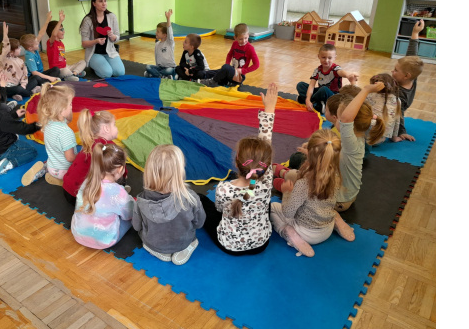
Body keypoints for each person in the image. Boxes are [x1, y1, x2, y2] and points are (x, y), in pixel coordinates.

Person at [202, 83, 278, 255]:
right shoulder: (266, 179)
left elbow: (220, 210)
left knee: (201, 201)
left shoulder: (224, 188)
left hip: (230, 246)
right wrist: (270, 109)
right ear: (265, 165)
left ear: (236, 163)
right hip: (262, 243)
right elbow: (265, 144)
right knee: (263, 202)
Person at [269, 129, 355, 257]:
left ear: (309, 154)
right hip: (327, 229)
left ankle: (289, 233)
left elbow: (288, 212)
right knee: (325, 207)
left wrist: (287, 193)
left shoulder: (303, 184)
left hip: (306, 234)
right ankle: (337, 220)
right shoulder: (336, 177)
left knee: (272, 208)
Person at [133, 145, 206, 265]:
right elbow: (199, 223)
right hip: (183, 241)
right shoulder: (190, 198)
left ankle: (159, 251)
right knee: (190, 236)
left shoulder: (141, 200)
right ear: (180, 173)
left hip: (153, 243)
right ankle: (188, 246)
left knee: (144, 235)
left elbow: (136, 226)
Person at [71, 143, 134, 249]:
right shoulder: (118, 192)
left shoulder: (87, 182)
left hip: (78, 234)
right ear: (120, 169)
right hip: (105, 241)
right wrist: (133, 201)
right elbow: (129, 214)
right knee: (132, 217)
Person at [334, 82, 386, 211]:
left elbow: (346, 119)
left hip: (340, 200)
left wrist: (366, 90)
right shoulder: (362, 132)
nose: (336, 120)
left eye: (338, 118)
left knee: (298, 182)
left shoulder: (350, 144)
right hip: (347, 195)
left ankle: (335, 218)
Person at [62, 109, 126, 205]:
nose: (116, 128)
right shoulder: (109, 147)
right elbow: (119, 167)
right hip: (80, 198)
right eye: (114, 125)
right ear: (106, 128)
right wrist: (124, 176)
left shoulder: (89, 142)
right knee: (118, 176)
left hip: (67, 190)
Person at [21, 83, 78, 186]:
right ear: (61, 110)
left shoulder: (48, 123)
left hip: (52, 165)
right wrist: (82, 156)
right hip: (63, 171)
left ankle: (44, 169)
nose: (72, 106)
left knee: (56, 156)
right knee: (86, 170)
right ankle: (60, 181)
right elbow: (70, 158)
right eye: (70, 104)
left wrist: (67, 111)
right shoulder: (65, 132)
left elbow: (67, 119)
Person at [296, 44, 359, 113]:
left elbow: (341, 72)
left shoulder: (335, 68)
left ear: (334, 58)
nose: (326, 60)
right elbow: (311, 85)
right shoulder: (317, 70)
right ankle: (314, 103)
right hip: (321, 93)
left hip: (333, 96)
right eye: (323, 57)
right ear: (318, 56)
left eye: (329, 58)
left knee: (324, 89)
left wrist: (348, 75)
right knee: (300, 85)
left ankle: (308, 101)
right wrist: (308, 100)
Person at [390, 19, 424, 142]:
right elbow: (412, 54)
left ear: (406, 76)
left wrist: (401, 132)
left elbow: (399, 114)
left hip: (393, 110)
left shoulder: (400, 93)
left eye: (396, 70)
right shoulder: (412, 77)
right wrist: (415, 32)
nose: (392, 71)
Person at [79, 0, 125, 78]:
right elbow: (84, 44)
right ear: (94, 3)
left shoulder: (112, 16)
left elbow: (117, 37)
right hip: (94, 54)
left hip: (110, 52)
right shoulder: (87, 20)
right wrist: (96, 41)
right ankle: (94, 66)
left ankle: (101, 65)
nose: (104, 4)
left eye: (105, 1)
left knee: (120, 72)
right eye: (100, 1)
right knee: (107, 73)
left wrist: (112, 36)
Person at [198, 23, 260, 87]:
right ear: (235, 37)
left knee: (224, 69)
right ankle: (201, 77)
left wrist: (242, 71)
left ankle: (213, 82)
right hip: (231, 71)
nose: (244, 41)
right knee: (212, 72)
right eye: (241, 39)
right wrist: (227, 64)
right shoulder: (235, 43)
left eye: (246, 38)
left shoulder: (250, 48)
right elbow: (229, 54)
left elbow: (256, 64)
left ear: (248, 35)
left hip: (239, 76)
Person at [20, 11, 65, 90]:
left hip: (41, 74)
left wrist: (47, 20)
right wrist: (49, 77)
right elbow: (34, 73)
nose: (38, 43)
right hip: (33, 77)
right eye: (36, 44)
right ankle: (45, 84)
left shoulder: (33, 48)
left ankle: (45, 84)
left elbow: (41, 34)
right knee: (36, 78)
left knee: (56, 69)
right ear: (30, 48)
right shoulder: (29, 56)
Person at [0, 21, 39, 101]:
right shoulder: (4, 58)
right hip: (7, 87)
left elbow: (25, 74)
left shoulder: (20, 61)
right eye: (18, 48)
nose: (20, 49)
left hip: (18, 85)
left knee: (35, 79)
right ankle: (29, 92)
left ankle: (19, 93)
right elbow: (5, 47)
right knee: (18, 89)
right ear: (11, 51)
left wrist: (23, 85)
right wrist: (5, 35)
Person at [46, 10, 85, 81]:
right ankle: (72, 75)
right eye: (61, 30)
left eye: (63, 29)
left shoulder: (61, 43)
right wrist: (60, 21)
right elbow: (54, 34)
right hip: (58, 70)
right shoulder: (51, 42)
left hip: (66, 67)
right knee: (66, 71)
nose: (63, 31)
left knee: (83, 62)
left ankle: (74, 74)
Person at [365, 73, 402, 145]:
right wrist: (394, 137)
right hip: (379, 140)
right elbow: (397, 121)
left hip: (363, 137)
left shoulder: (369, 95)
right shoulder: (397, 100)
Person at [144, 9, 176, 79]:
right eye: (156, 31)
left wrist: (168, 18)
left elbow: (169, 31)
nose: (156, 33)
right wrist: (156, 67)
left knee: (169, 70)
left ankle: (155, 75)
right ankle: (161, 76)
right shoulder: (157, 44)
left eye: (158, 32)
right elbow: (157, 57)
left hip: (170, 67)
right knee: (148, 67)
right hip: (160, 67)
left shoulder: (169, 42)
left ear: (164, 35)